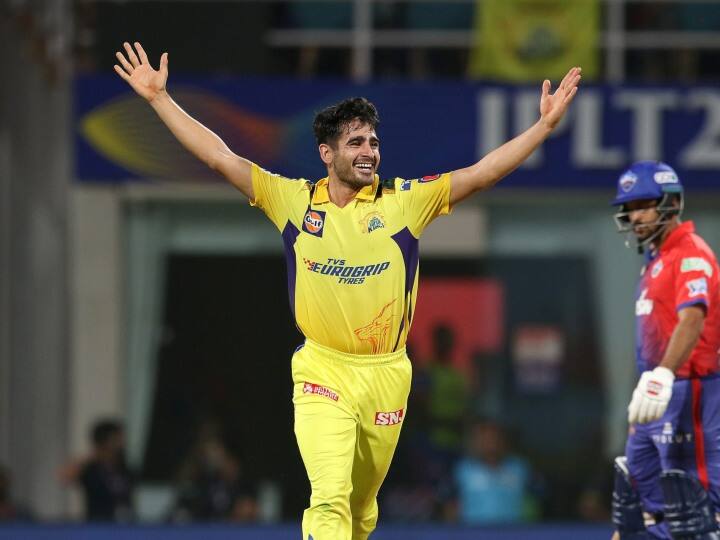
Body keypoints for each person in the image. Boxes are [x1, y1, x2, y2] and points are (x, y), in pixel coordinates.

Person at [113, 41, 580, 540]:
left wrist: (543, 127)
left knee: (360, 509)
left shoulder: (404, 201)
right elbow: (219, 157)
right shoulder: (293, 201)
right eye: (356, 142)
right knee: (329, 497)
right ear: (327, 153)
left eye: (373, 142)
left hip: (386, 373)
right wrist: (160, 99)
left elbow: (481, 174)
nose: (369, 152)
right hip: (322, 368)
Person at [609, 161, 720, 540]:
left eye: (644, 205)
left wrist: (663, 375)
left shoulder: (691, 253)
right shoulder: (655, 261)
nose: (635, 216)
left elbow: (692, 319)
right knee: (637, 508)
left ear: (670, 203)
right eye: (630, 208)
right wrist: (648, 386)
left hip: (691, 391)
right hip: (655, 394)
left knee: (698, 515)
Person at [446, 419, 533, 525]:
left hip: (513, 530)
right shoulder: (462, 469)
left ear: (503, 440)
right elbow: (451, 504)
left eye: (494, 438)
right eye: (485, 439)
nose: (491, 443)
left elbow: (535, 502)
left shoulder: (520, 468)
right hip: (473, 530)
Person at [59, 418, 134, 522]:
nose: (122, 442)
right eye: (118, 437)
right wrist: (95, 455)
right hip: (97, 523)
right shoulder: (91, 469)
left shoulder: (124, 467)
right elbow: (64, 476)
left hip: (125, 523)